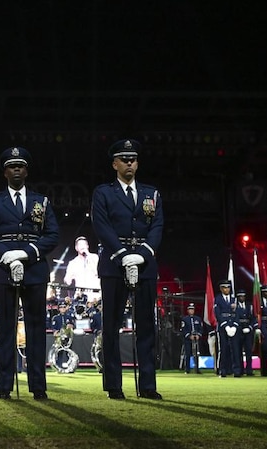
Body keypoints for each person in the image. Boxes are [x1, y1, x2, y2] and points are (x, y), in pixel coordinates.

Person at [0, 146, 60, 400]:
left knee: (36, 328)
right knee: (6, 328)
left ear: (26, 171)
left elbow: (52, 235)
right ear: (5, 172)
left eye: (21, 165)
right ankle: (4, 386)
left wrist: (25, 254)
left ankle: (38, 386)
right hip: (4, 269)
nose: (16, 169)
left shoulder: (41, 201)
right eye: (12, 166)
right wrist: (7, 256)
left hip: (34, 269)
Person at [91, 139, 164, 400]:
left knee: (146, 326)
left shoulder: (150, 193)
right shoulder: (103, 193)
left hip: (145, 264)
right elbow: (101, 226)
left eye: (133, 159)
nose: (129, 163)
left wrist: (141, 255)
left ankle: (147, 385)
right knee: (111, 326)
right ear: (114, 164)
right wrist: (123, 256)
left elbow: (156, 226)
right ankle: (113, 385)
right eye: (124, 159)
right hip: (113, 263)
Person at [63, 236, 101, 304]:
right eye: (80, 245)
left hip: (96, 297)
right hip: (80, 298)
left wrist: (88, 256)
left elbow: (98, 272)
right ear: (76, 248)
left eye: (84, 244)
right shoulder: (73, 263)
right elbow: (67, 281)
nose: (82, 247)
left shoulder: (95, 257)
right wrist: (67, 279)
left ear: (87, 246)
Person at [214, 280, 240, 377]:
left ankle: (236, 370)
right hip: (223, 327)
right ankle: (222, 370)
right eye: (224, 287)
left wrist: (235, 325)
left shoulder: (234, 299)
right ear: (221, 289)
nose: (226, 289)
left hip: (233, 326)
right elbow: (217, 313)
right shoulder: (218, 299)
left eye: (228, 287)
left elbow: (238, 313)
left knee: (235, 349)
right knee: (223, 349)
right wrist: (225, 325)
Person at [234, 288, 256, 376]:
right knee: (238, 350)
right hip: (238, 330)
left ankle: (249, 370)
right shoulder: (235, 306)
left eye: (243, 296)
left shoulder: (249, 305)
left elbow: (254, 317)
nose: (242, 298)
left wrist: (250, 327)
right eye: (240, 296)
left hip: (248, 329)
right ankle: (240, 370)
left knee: (248, 351)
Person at [180, 302, 203, 374]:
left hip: (196, 339)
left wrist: (198, 335)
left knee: (197, 354)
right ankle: (187, 369)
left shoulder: (198, 319)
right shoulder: (185, 319)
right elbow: (183, 329)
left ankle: (197, 369)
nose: (191, 311)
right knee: (188, 354)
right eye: (190, 309)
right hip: (188, 339)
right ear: (188, 310)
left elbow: (201, 328)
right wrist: (189, 335)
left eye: (192, 309)